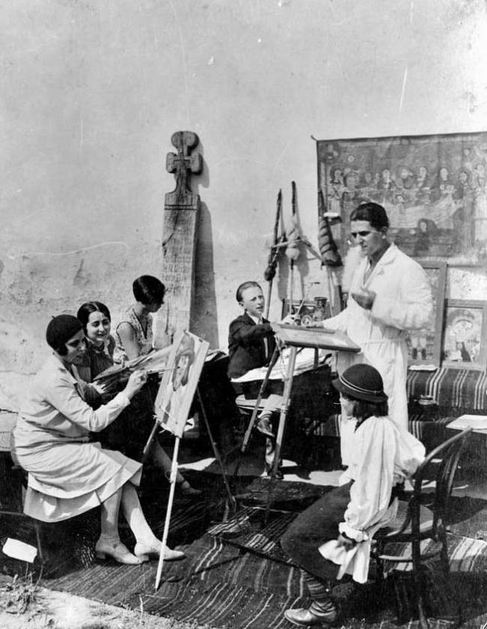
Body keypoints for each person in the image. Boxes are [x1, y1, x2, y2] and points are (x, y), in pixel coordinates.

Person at [12, 314, 185, 564]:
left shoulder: (65, 365)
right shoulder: (53, 378)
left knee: (119, 465)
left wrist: (118, 378)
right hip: (38, 450)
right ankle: (109, 539)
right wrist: (127, 392)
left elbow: (85, 394)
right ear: (58, 347)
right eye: (75, 344)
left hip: (58, 442)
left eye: (82, 340)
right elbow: (92, 421)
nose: (82, 347)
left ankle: (145, 538)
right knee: (112, 467)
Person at [281, 364, 425, 626]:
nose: (341, 402)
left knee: (294, 538)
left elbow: (371, 491)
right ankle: (341, 568)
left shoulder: (374, 431)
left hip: (369, 504)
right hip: (365, 494)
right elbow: (407, 457)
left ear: (360, 402)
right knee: (314, 517)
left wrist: (353, 526)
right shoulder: (377, 423)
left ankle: (323, 605)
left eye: (345, 397)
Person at [322, 202, 433, 437]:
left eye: (364, 233)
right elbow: (353, 314)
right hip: (355, 359)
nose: (358, 240)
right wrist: (321, 326)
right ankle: (355, 461)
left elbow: (422, 317)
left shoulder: (406, 268)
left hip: (384, 357)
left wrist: (376, 304)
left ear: (383, 231)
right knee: (353, 427)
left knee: (383, 427)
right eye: (354, 235)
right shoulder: (361, 266)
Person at [80, 295, 199, 497]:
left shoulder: (108, 342)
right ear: (84, 327)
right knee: (140, 429)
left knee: (145, 426)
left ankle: (176, 482)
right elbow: (87, 394)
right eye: (95, 324)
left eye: (105, 322)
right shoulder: (83, 352)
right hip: (99, 415)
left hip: (116, 403)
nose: (102, 328)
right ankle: (164, 484)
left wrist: (122, 373)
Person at [228, 281, 283, 476]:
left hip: (262, 382)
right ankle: (272, 463)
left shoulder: (265, 325)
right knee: (280, 400)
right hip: (243, 385)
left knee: (283, 395)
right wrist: (273, 327)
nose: (260, 301)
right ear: (242, 304)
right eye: (253, 299)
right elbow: (247, 334)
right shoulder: (238, 324)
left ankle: (264, 417)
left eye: (261, 297)